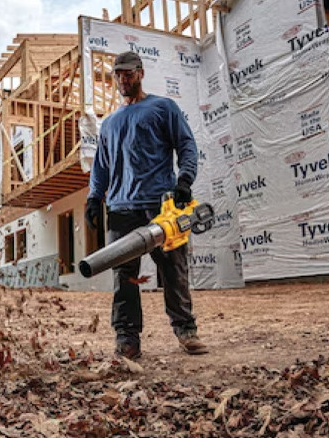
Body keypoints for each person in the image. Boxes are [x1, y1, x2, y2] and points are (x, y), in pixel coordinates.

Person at [84, 51, 207, 359]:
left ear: (140, 73)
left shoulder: (163, 107)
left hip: (161, 206)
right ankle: (127, 339)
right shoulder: (109, 123)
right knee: (124, 277)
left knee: (174, 270)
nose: (123, 79)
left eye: (128, 73)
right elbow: (100, 166)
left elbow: (186, 144)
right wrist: (93, 197)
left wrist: (184, 181)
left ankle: (186, 331)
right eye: (118, 75)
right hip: (121, 210)